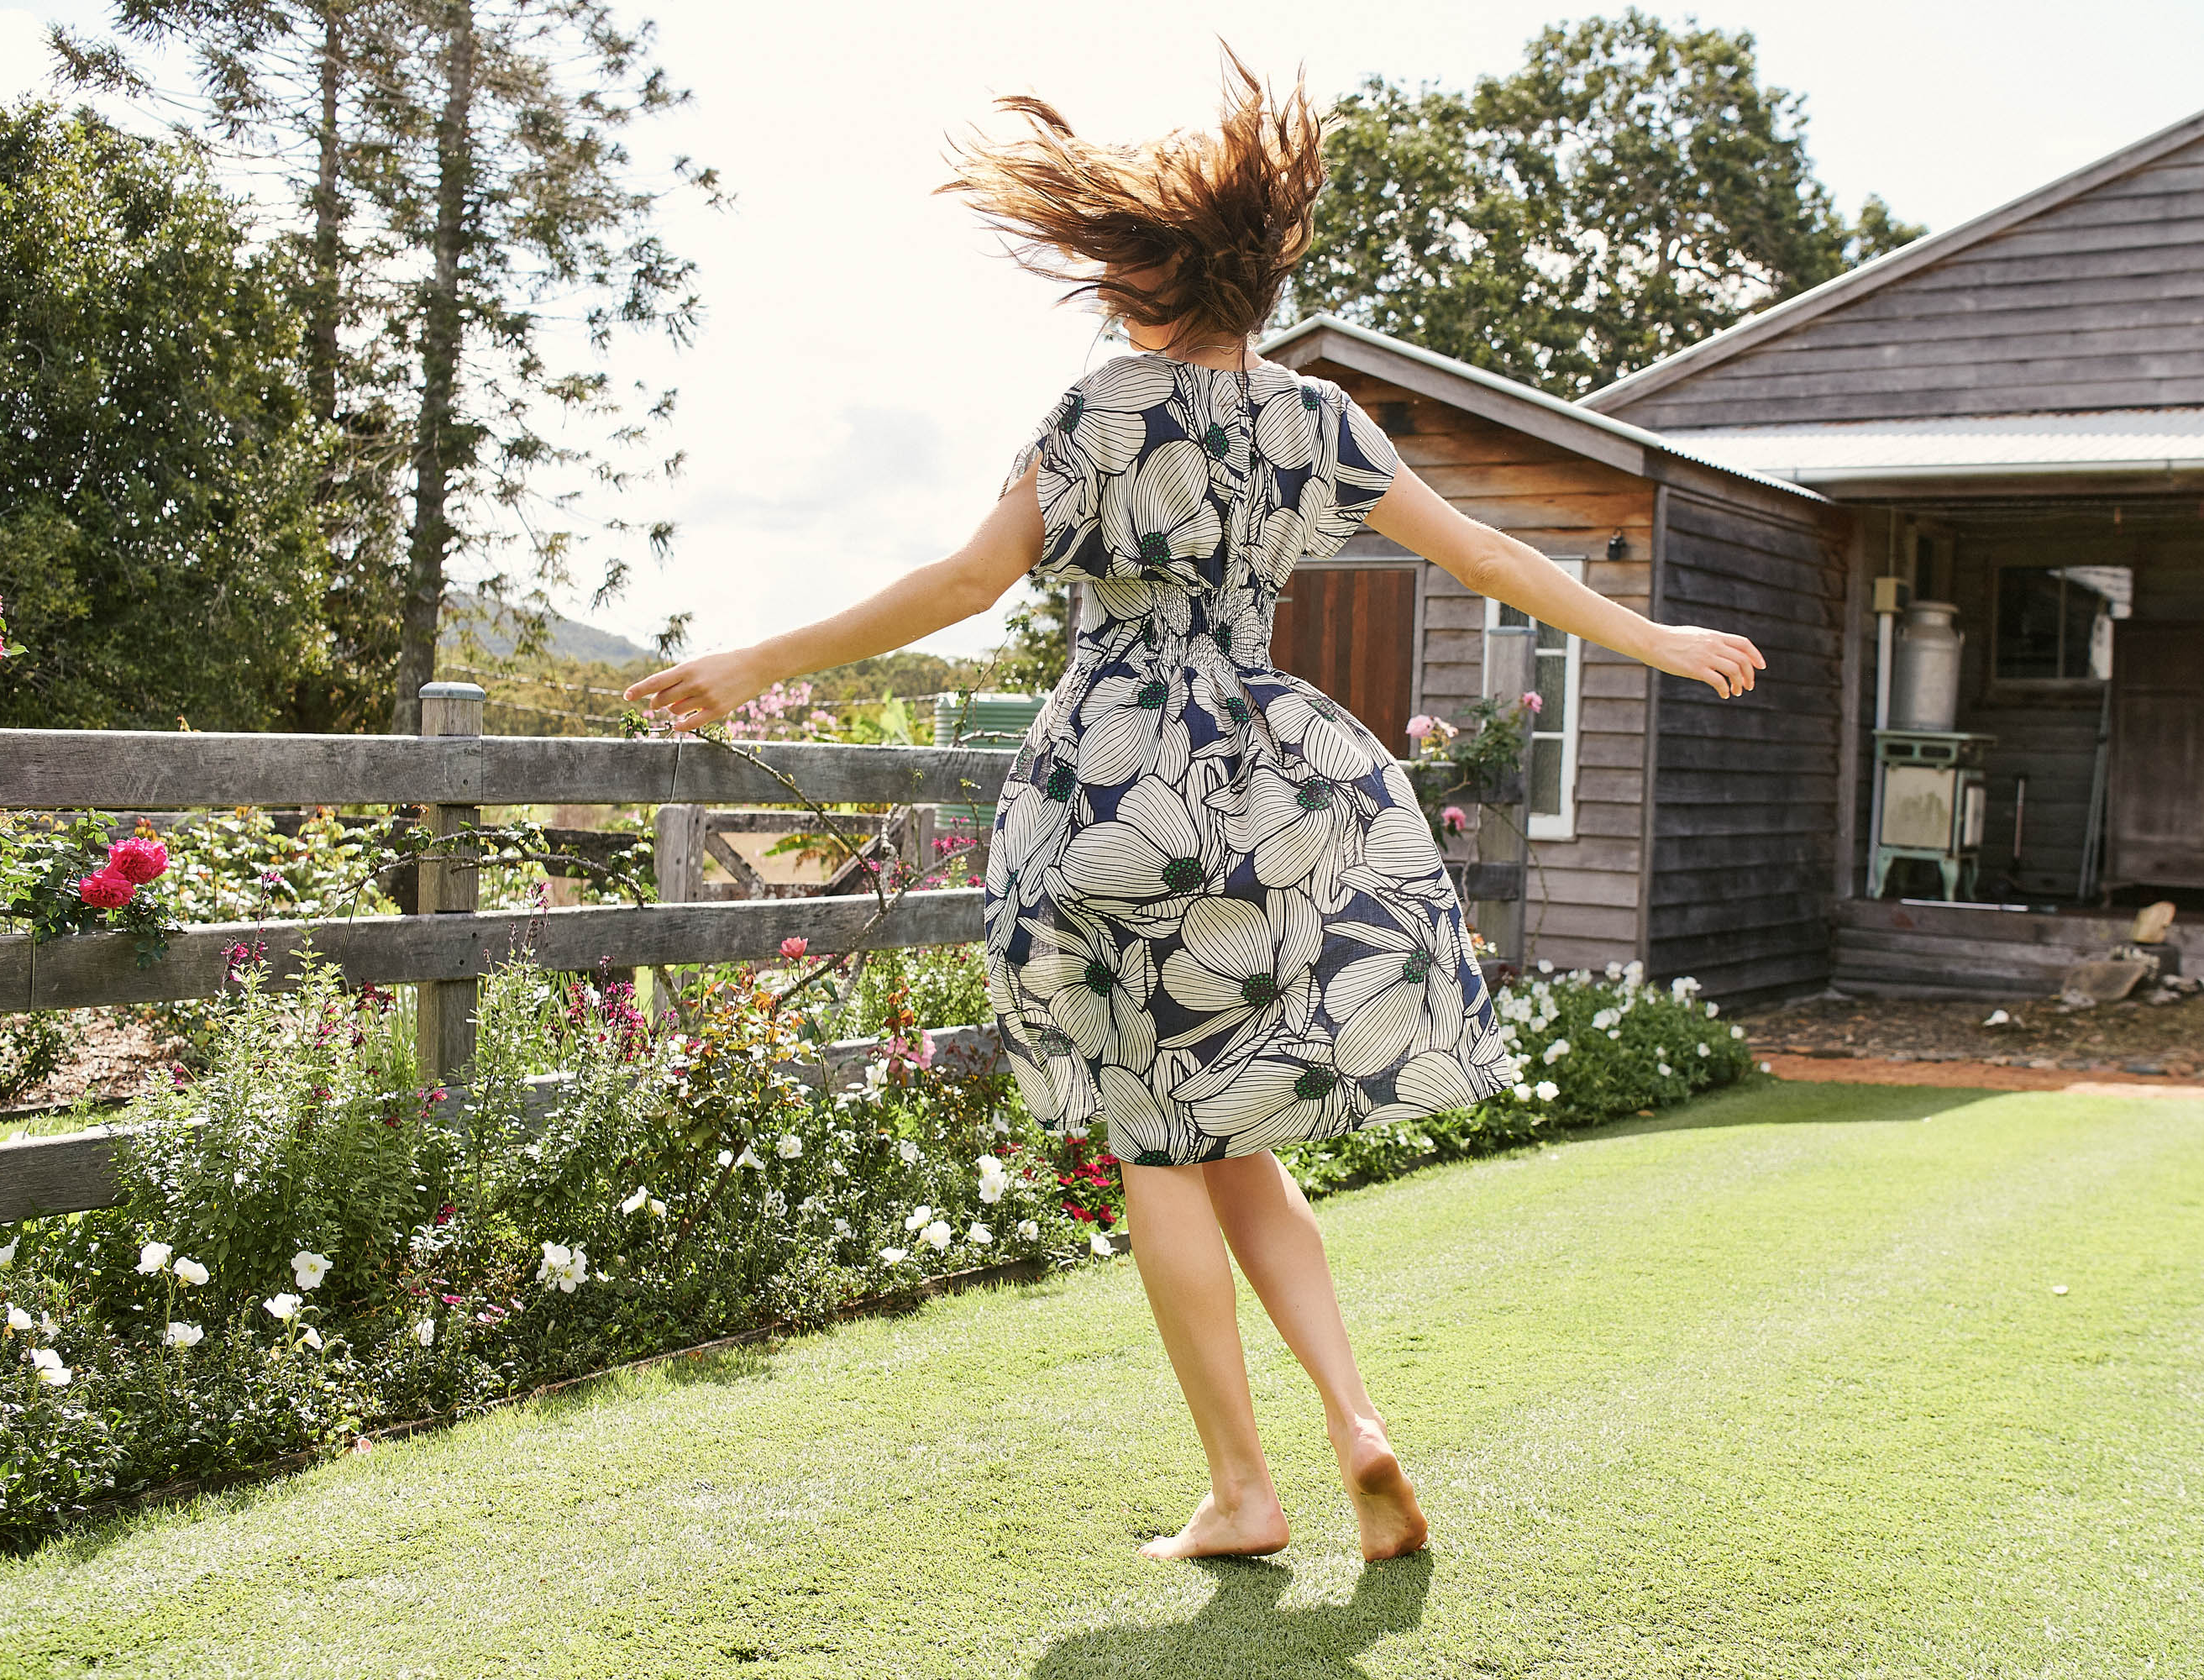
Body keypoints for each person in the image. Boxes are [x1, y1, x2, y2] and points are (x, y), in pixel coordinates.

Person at [626, 56, 1764, 1566]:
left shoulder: (1097, 412)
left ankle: (1242, 1490)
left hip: (1108, 781)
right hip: (1265, 774)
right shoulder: (1314, 417)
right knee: (1232, 1129)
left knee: (1150, 1137)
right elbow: (1488, 556)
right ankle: (1356, 1422)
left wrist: (757, 656)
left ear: (1140, 271)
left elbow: (967, 584)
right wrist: (1658, 641)